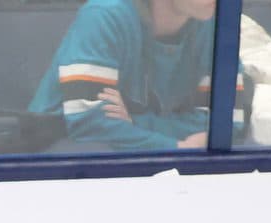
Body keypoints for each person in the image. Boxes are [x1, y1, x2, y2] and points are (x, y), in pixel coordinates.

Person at [31, 0, 243, 152]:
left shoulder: (217, 21)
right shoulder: (104, 13)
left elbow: (228, 122)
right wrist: (177, 147)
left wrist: (135, 122)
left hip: (147, 151)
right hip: (59, 151)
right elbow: (89, 125)